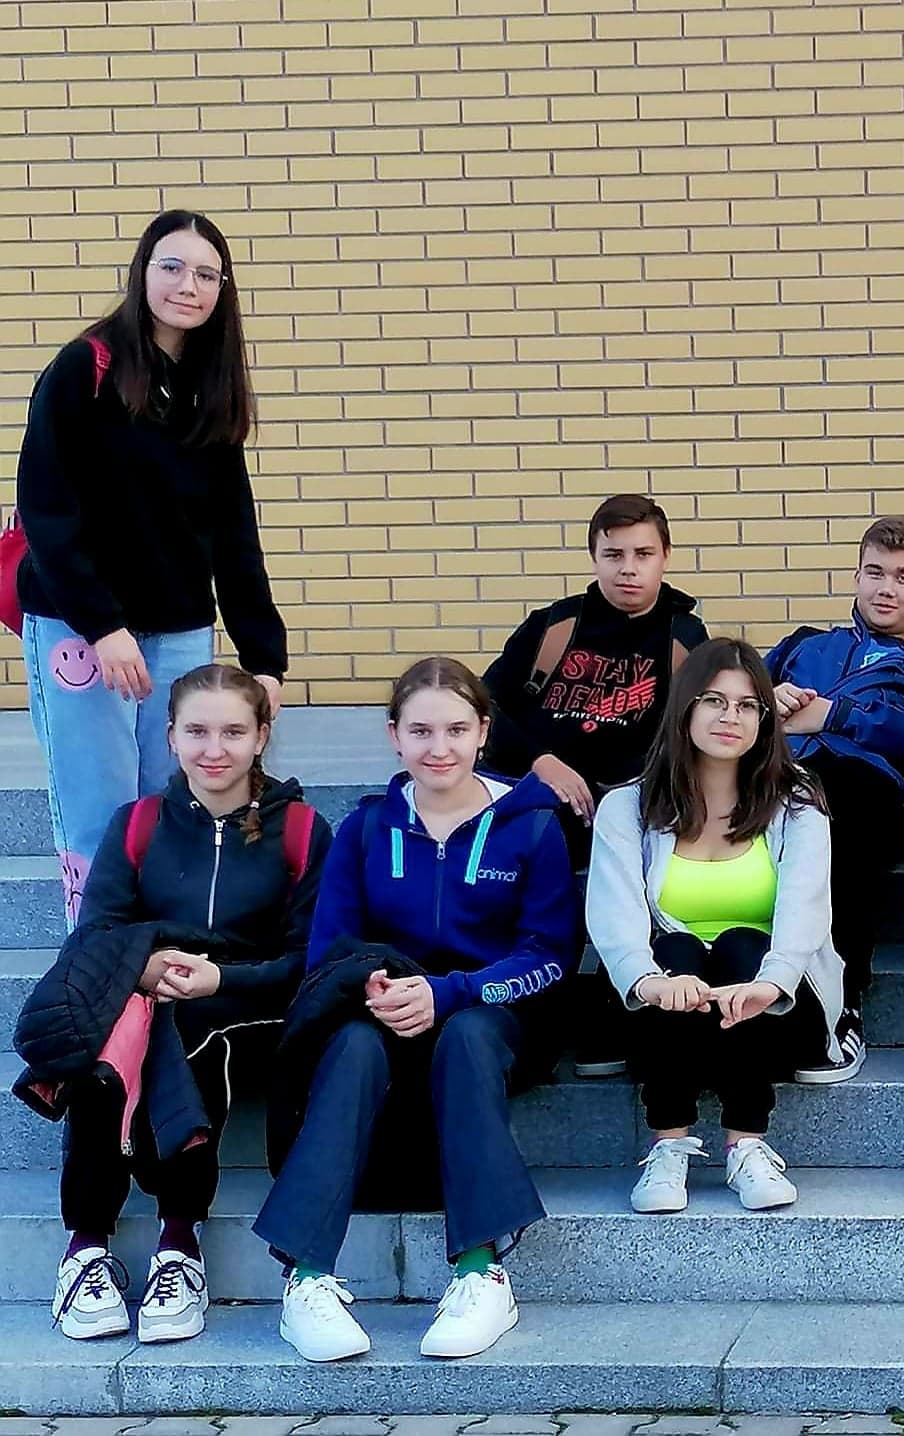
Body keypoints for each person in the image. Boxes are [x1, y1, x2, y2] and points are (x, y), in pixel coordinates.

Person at [252, 658, 579, 1363]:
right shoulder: (367, 828)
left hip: (492, 1013)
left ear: (484, 732)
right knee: (350, 1047)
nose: (439, 748)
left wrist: (451, 992)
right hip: (387, 1010)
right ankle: (306, 1279)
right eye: (421, 731)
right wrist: (377, 988)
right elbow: (329, 952)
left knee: (465, 1037)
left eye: (456, 730)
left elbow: (550, 954)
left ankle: (481, 1273)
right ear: (393, 735)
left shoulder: (531, 825)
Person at [38, 664, 329, 1345]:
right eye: (197, 731)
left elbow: (310, 957)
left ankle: (178, 1240)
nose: (214, 749)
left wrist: (219, 980)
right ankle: (86, 1247)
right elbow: (97, 933)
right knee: (114, 1034)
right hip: (154, 992)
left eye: (233, 732)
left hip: (253, 1006)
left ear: (262, 736)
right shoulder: (139, 823)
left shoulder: (302, 830)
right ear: (170, 736)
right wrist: (144, 968)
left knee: (187, 1026)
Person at [12, 209, 288, 927]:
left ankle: (160, 963)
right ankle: (97, 964)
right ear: (142, 273)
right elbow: (46, 511)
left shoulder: (209, 385)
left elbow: (234, 531)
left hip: (179, 630)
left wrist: (264, 658)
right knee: (99, 811)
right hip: (81, 630)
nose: (187, 286)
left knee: (174, 804)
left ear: (222, 290)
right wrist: (103, 626)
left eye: (206, 274)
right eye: (171, 267)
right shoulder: (86, 368)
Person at [586, 639, 845, 1216]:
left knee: (741, 945)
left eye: (748, 705)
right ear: (685, 707)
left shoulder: (797, 802)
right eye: (714, 701)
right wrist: (653, 982)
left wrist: (769, 983)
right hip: (662, 1010)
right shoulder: (628, 806)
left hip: (777, 1005)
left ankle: (746, 1144)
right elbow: (614, 917)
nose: (731, 717)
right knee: (677, 947)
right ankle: (668, 1145)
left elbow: (806, 911)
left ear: (764, 720)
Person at [480, 493, 708, 1080]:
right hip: (544, 794)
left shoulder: (685, 637)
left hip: (632, 799)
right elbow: (483, 707)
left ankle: (613, 1015)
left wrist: (627, 790)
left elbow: (691, 727)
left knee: (631, 849)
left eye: (642, 554)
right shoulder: (555, 625)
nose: (628, 569)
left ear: (665, 557)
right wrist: (541, 761)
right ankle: (529, 1021)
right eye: (614, 555)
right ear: (594, 557)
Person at [764, 517, 904, 1083]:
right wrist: (764, 699)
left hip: (867, 788)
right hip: (777, 777)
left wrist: (840, 715)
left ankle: (839, 1004)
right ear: (856, 576)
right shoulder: (804, 647)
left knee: (838, 807)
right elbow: (723, 700)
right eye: (875, 572)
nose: (885, 588)